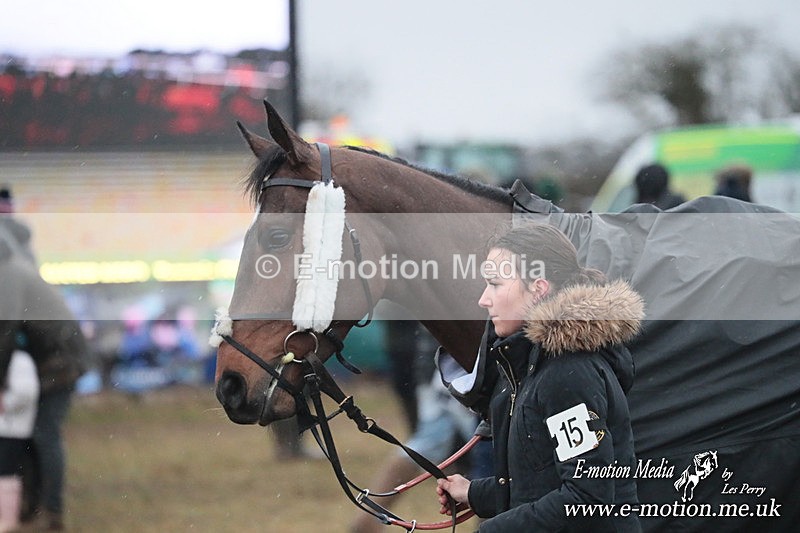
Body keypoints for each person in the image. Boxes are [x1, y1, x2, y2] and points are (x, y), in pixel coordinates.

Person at [435, 222, 644, 531]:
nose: (483, 299)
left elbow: (587, 498)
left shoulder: (568, 373)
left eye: (495, 284)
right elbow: (538, 485)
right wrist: (472, 492)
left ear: (539, 289)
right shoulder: (531, 364)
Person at [0, 350, 39, 532]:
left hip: (13, 430)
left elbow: (26, 392)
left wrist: (5, 403)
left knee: (7, 473)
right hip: (5, 428)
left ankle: (8, 518)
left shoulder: (19, 360)